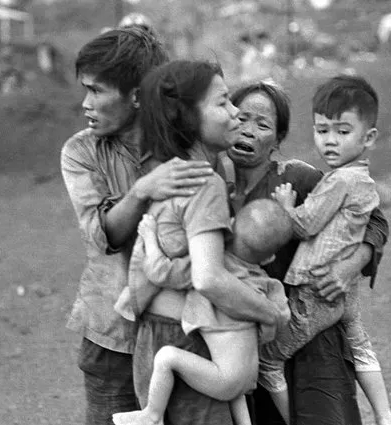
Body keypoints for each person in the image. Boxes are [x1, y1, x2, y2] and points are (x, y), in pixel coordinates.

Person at [60, 28, 220, 425]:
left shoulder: (191, 143)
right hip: (113, 337)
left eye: (96, 91)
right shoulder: (81, 151)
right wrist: (144, 190)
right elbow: (103, 236)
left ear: (135, 96)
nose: (86, 103)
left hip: (188, 333)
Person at [119, 60, 285, 425]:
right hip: (190, 342)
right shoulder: (205, 183)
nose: (236, 111)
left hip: (155, 337)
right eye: (223, 102)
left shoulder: (165, 172)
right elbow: (208, 278)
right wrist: (270, 313)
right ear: (187, 118)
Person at [224, 80, 391, 425]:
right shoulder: (211, 187)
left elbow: (374, 220)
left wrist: (350, 265)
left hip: (310, 334)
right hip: (240, 338)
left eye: (263, 124)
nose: (249, 130)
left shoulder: (297, 179)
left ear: (278, 139)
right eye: (241, 119)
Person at [113, 198, 292, 425]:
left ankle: (152, 415)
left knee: (166, 358)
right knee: (233, 387)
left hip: (224, 379)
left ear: (229, 224)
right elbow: (280, 318)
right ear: (269, 258)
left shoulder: (208, 269)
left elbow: (159, 272)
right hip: (249, 375)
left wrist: (150, 237)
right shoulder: (267, 283)